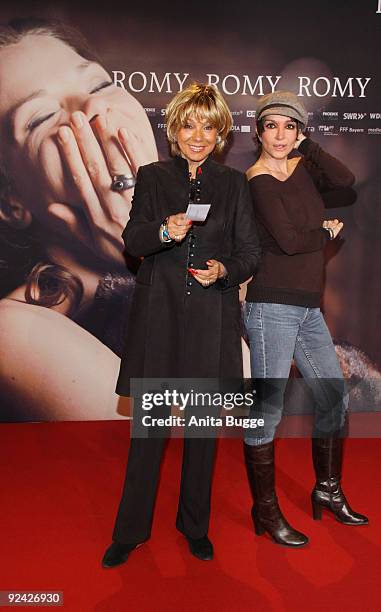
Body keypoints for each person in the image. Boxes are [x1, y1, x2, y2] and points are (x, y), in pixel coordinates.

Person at [102, 83, 261, 567]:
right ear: (173, 129)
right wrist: (163, 231)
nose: (197, 135)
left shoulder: (234, 185)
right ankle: (130, 531)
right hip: (160, 319)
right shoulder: (151, 176)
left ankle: (194, 526)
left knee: (202, 434)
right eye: (188, 125)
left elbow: (249, 252)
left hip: (211, 320)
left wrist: (224, 271)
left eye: (207, 127)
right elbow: (133, 240)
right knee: (149, 434)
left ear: (220, 134)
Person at [0, 18, 158, 420]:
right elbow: (232, 432)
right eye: (39, 118)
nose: (91, 108)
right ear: (11, 200)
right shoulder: (14, 331)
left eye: (100, 84)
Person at [243, 90, 368, 548]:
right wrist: (324, 231)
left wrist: (308, 147)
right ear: (258, 132)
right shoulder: (256, 179)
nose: (280, 135)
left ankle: (327, 490)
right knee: (267, 412)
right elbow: (292, 241)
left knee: (334, 399)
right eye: (272, 125)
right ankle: (265, 508)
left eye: (290, 127)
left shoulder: (304, 168)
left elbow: (347, 178)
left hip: (308, 308)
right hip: (271, 307)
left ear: (299, 133)